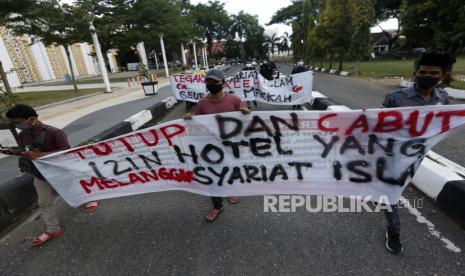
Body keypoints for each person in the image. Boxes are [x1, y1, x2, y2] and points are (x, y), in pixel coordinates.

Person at [381, 53, 454, 254]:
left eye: (433, 73)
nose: (427, 76)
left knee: (392, 191)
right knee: (392, 192)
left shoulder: (443, 99)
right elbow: (378, 124)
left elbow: (442, 124)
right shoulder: (395, 98)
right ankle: (393, 231)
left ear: (442, 75)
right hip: (392, 154)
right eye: (423, 72)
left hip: (417, 156)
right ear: (415, 73)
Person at [183, 69, 250, 222]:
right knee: (212, 174)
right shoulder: (201, 103)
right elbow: (197, 123)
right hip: (210, 146)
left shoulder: (234, 100)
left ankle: (229, 190)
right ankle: (217, 206)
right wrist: (189, 118)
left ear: (223, 83)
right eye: (209, 82)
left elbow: (246, 117)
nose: (212, 85)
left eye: (215, 82)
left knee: (230, 168)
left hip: (231, 143)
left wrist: (247, 113)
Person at [2, 105, 71, 246]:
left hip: (62, 172)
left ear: (32, 119)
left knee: (78, 189)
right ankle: (53, 229)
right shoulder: (23, 135)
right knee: (44, 202)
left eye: (17, 122)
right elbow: (26, 152)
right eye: (13, 123)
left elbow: (67, 153)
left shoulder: (55, 132)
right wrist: (13, 152)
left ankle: (91, 199)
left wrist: (39, 155)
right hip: (40, 174)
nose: (16, 125)